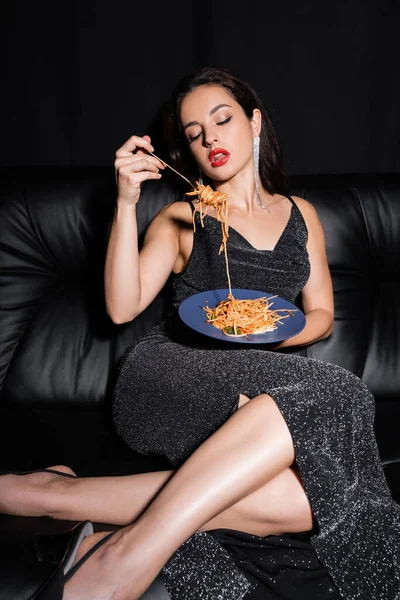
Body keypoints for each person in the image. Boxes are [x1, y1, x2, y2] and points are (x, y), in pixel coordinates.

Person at [1, 66, 399, 600]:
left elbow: (322, 311)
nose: (210, 137)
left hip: (269, 377)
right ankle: (122, 557)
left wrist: (274, 334)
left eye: (222, 119)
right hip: (172, 373)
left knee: (304, 503)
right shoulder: (184, 215)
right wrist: (123, 204)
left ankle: (53, 497)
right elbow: (121, 308)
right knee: (341, 392)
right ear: (187, 151)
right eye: (194, 133)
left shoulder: (302, 214)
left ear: (255, 124)